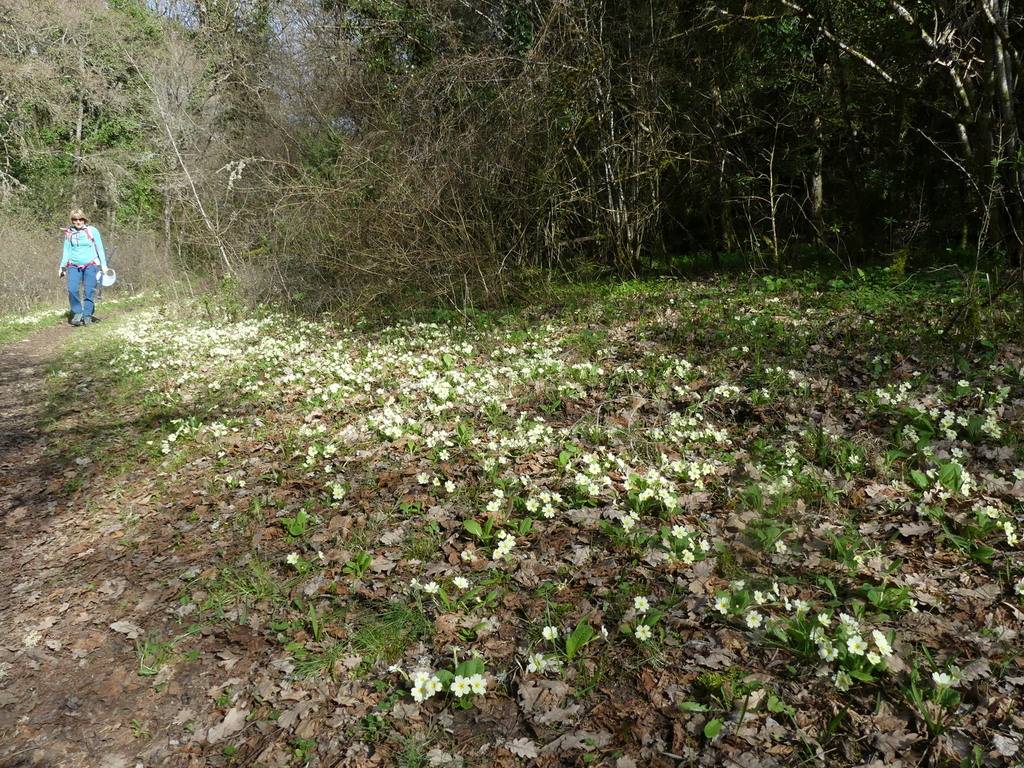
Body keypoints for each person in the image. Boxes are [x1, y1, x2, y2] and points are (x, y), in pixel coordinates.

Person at [59, 208, 110, 326]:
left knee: (89, 291)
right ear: (72, 220)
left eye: (80, 219)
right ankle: (77, 312)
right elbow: (66, 251)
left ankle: (87, 315)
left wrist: (104, 265)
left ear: (84, 219)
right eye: (75, 219)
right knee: (72, 289)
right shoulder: (69, 233)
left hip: (90, 265)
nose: (78, 222)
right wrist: (62, 267)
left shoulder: (92, 231)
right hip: (73, 265)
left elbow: (100, 248)